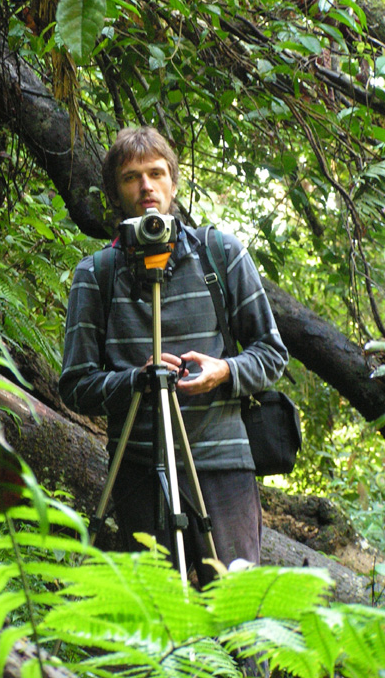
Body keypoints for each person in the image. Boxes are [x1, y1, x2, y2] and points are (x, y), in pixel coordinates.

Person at [59, 126, 288, 585]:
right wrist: (134, 381)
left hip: (222, 467)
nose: (146, 186)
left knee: (237, 620)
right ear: (115, 192)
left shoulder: (219, 255)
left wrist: (224, 370)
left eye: (156, 173)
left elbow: (271, 353)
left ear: (174, 183)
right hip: (140, 467)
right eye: (131, 177)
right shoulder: (97, 274)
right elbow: (76, 385)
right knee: (162, 626)